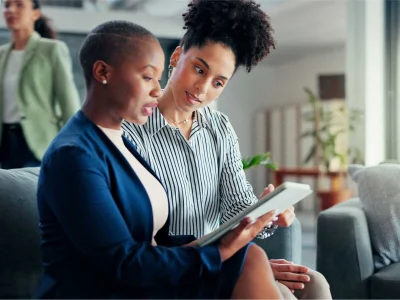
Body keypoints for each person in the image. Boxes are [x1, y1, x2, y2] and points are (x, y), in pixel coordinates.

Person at [35, 20, 283, 299]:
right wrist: (220, 252)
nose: (157, 89)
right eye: (147, 77)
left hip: (149, 273)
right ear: (103, 72)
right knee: (251, 261)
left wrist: (235, 243)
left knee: (254, 259)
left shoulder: (117, 140)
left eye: (156, 79)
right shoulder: (74, 155)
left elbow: (152, 237)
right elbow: (124, 262)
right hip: (110, 289)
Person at [122, 0, 332, 299]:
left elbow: (237, 208)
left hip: (222, 258)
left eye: (218, 82)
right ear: (177, 56)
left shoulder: (219, 128)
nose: (202, 89)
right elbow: (132, 236)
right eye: (198, 69)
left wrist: (268, 212)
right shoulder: (131, 130)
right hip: (172, 264)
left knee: (314, 284)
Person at [0, 0, 80, 169]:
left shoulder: (52, 49)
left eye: (19, 5)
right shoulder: (1, 54)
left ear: (35, 14)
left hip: (38, 142)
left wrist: (75, 147)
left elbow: (68, 101)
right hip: (4, 144)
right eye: (7, 5)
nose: (11, 10)